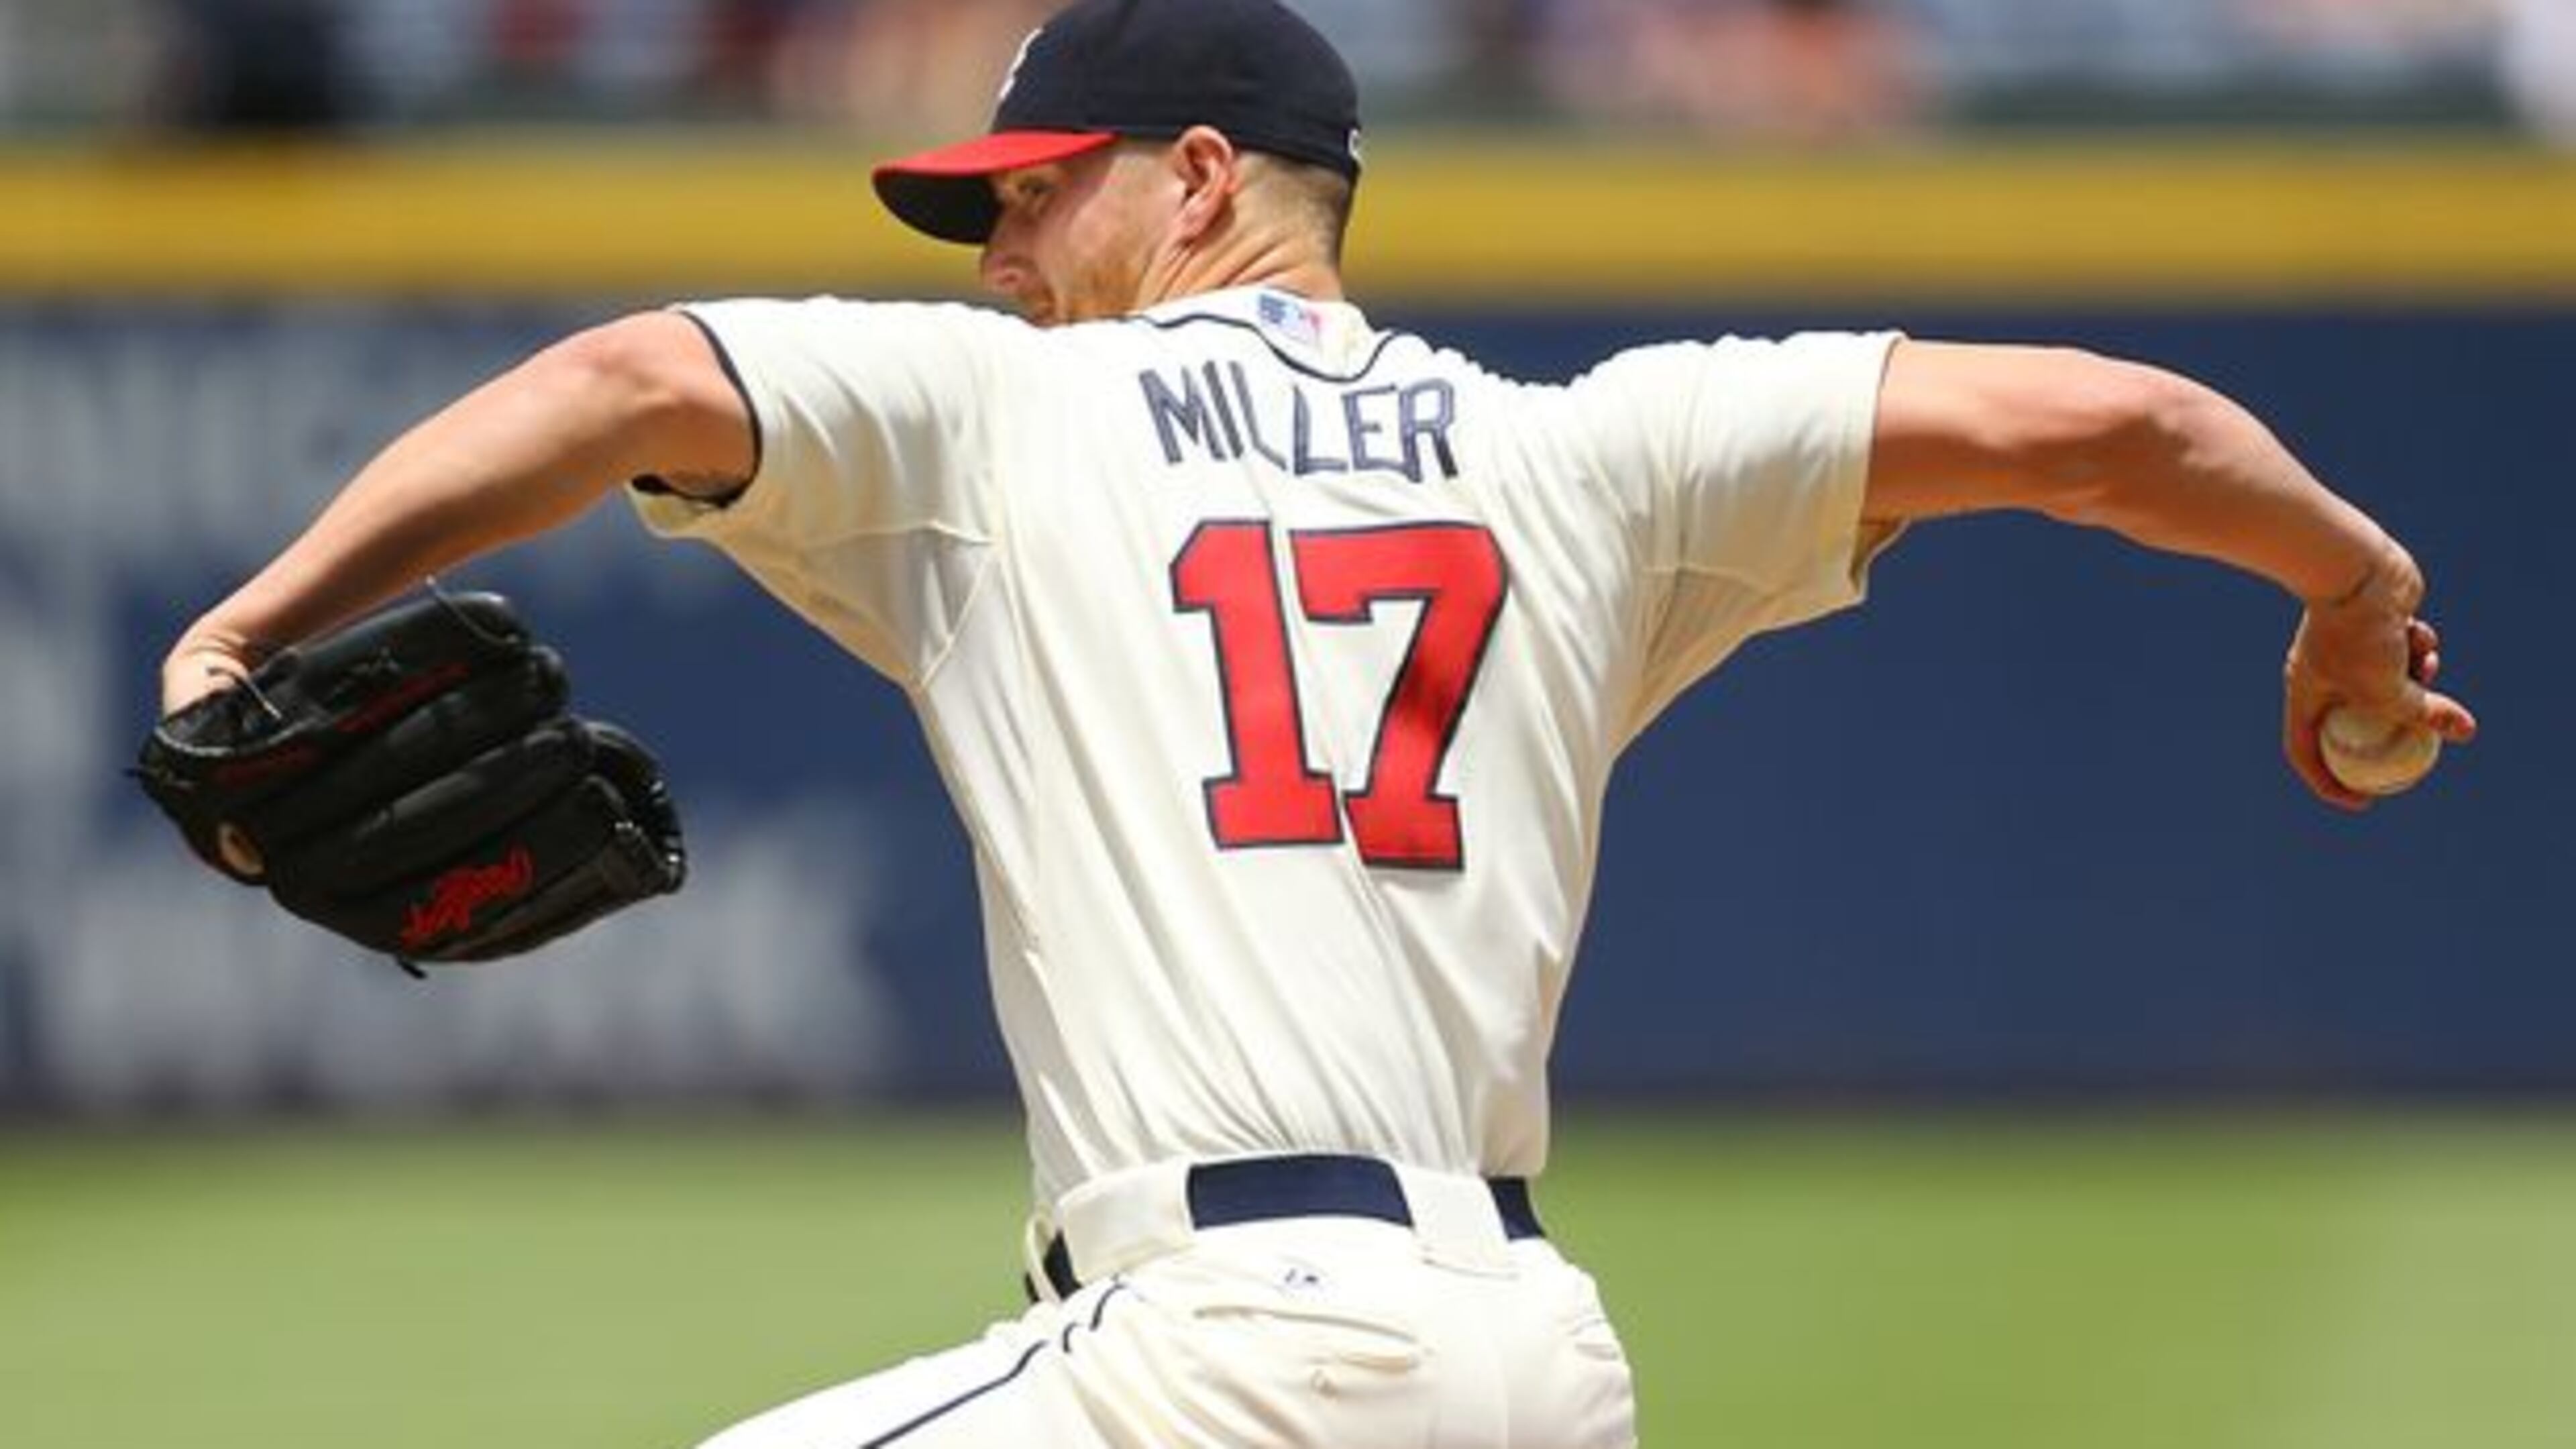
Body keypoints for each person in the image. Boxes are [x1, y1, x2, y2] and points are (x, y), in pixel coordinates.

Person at [157, 0, 2478, 1444]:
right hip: (1531, 1363)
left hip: (1228, 1360)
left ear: (1195, 183)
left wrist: (245, 630)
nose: (990, 253)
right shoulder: (1598, 449)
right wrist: (2350, 589)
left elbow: (624, 381)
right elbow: (2113, 416)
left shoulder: (1007, 418)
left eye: (1027, 196)